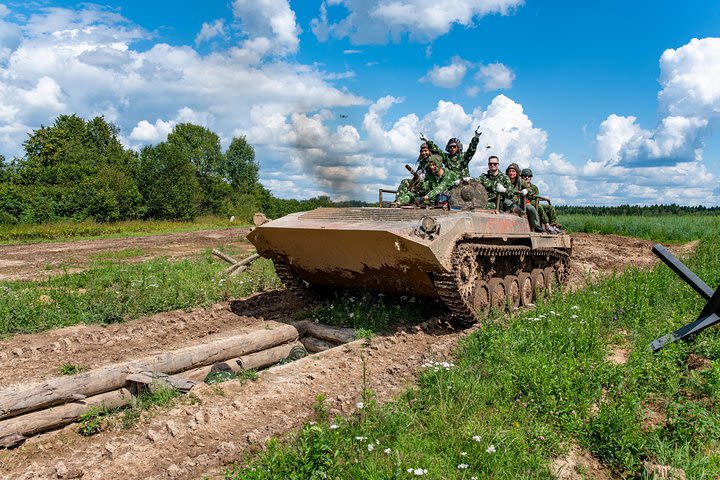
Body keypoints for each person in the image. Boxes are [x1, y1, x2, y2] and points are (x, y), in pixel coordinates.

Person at [521, 168, 561, 233]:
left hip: (534, 202)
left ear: (531, 177)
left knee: (550, 207)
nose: (527, 177)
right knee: (539, 206)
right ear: (522, 177)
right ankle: (547, 225)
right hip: (525, 203)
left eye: (529, 176)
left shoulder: (534, 187)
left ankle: (553, 225)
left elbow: (537, 197)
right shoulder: (520, 185)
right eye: (525, 176)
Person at [505, 163, 543, 232]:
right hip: (508, 202)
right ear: (507, 172)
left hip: (520, 202)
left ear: (517, 173)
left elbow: (529, 189)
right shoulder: (504, 180)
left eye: (513, 171)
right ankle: (517, 210)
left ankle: (536, 226)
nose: (511, 173)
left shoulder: (520, 181)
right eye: (509, 171)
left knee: (531, 208)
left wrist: (526, 190)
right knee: (505, 201)